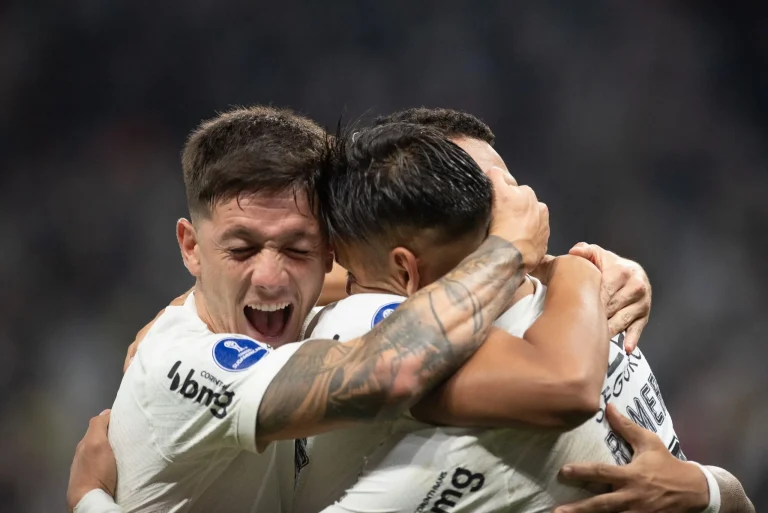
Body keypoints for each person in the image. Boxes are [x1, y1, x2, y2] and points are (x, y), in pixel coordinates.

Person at [67, 108, 657, 512]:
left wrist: (559, 263)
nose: (271, 277)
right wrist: (546, 264)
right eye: (241, 248)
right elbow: (404, 367)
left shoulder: (330, 302)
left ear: (331, 251)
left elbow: (419, 266)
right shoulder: (184, 361)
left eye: (298, 249)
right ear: (190, 247)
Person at [296, 111, 752, 512]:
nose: (513, 202)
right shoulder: (580, 305)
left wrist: (707, 488)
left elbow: (734, 499)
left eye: (501, 188)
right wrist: (576, 269)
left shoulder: (576, 318)